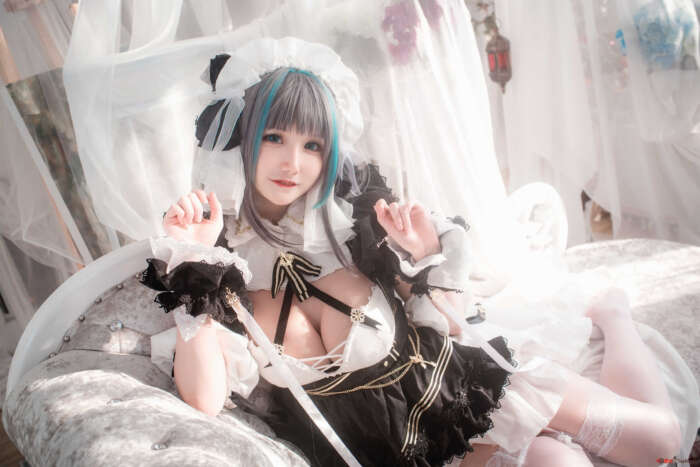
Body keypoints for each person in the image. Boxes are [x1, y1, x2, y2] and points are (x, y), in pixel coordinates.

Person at [142, 37, 682, 467]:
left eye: (313, 145)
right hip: (393, 449)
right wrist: (191, 265)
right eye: (273, 137)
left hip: (461, 389)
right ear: (241, 137)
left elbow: (442, 323)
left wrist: (423, 258)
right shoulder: (217, 272)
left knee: (662, 443)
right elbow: (204, 400)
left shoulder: (349, 222)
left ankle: (613, 316)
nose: (294, 164)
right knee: (562, 462)